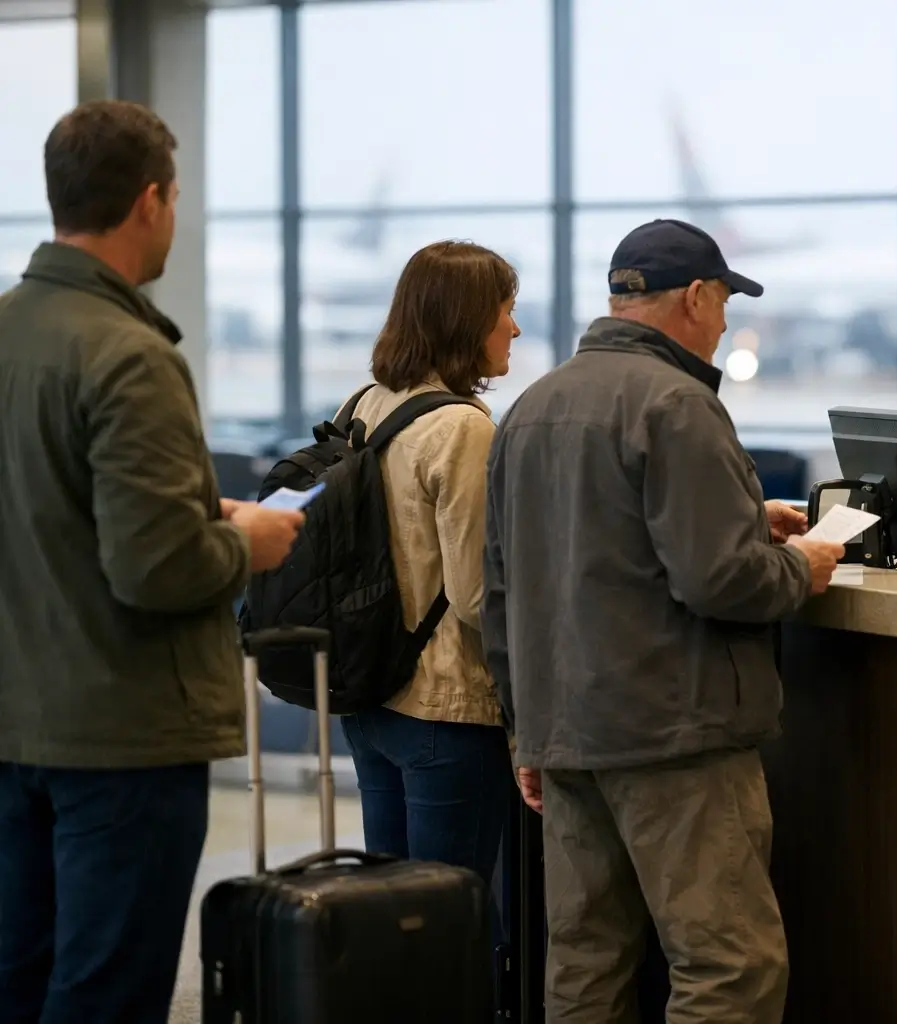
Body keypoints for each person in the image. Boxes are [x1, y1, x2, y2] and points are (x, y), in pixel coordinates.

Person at [482, 218, 845, 1023]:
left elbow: (502, 592)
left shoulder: (531, 408)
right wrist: (804, 564)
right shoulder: (678, 404)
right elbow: (721, 581)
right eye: (722, 306)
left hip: (566, 736)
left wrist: (526, 731)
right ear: (695, 297)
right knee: (728, 965)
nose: (723, 326)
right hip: (674, 739)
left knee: (584, 963)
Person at [0, 100, 304, 1024]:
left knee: (21, 975)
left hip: (17, 720)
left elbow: (46, 503)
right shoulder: (130, 355)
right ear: (149, 202)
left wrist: (182, 511)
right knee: (105, 992)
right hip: (121, 734)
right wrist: (245, 543)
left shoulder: (12, 329)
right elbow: (159, 570)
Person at [336, 240, 518, 892]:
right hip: (446, 707)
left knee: (394, 916)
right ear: (466, 320)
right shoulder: (463, 429)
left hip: (370, 694)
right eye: (506, 310)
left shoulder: (362, 404)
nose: (514, 328)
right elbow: (476, 598)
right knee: (450, 921)